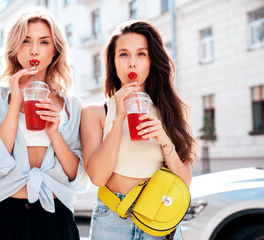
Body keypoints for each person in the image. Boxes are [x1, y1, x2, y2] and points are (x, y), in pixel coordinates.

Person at [0, 7, 90, 240]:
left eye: (44, 42)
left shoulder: (71, 105)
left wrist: (55, 133)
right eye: (26, 41)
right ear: (14, 49)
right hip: (3, 214)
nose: (34, 50)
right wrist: (15, 104)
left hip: (55, 216)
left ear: (55, 50)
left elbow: (76, 175)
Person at [81, 20, 197, 240]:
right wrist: (119, 118)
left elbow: (184, 182)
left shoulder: (170, 111)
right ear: (113, 62)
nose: (132, 63)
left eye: (141, 54)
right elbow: (97, 177)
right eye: (123, 55)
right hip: (112, 219)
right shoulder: (95, 112)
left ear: (152, 60)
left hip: (160, 218)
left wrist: (164, 140)